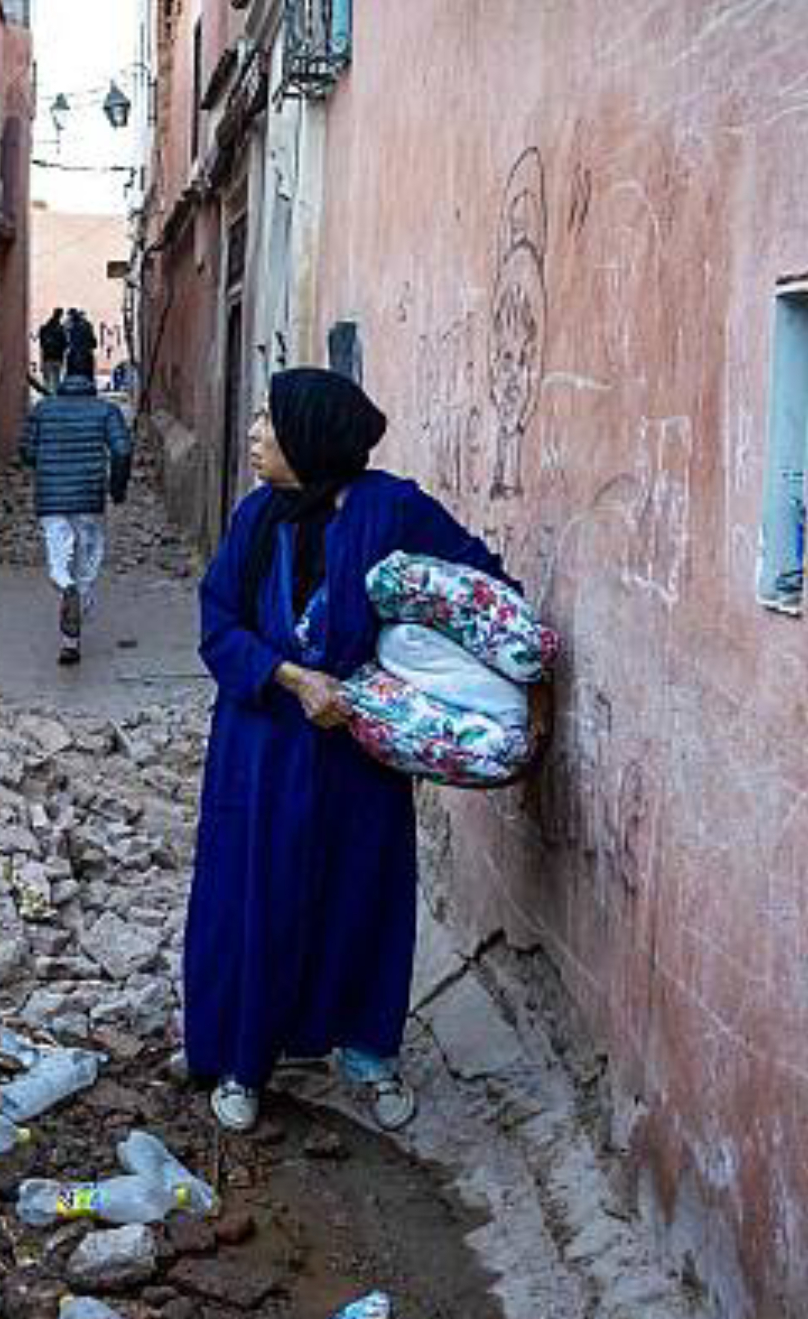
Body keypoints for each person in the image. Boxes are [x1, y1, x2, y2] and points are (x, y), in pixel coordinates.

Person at [183, 367, 527, 1135]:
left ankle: (367, 1052)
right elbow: (218, 622)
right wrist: (292, 676)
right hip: (262, 748)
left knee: (360, 893)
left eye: (270, 421)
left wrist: (410, 679)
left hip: (358, 751)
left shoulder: (391, 510)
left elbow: (481, 592)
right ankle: (245, 1058)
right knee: (257, 895)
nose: (255, 434)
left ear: (311, 436)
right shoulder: (256, 518)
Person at [19, 346, 133, 664]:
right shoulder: (106, 411)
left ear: (67, 372)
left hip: (51, 498)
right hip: (88, 496)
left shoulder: (44, 409)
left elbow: (26, 450)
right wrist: (117, 489)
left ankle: (64, 586)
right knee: (87, 562)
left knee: (59, 558)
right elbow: (122, 451)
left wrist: (46, 465)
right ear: (91, 373)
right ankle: (71, 636)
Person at [38, 309, 68, 393]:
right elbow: (65, 344)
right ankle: (54, 397)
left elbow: (42, 344)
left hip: (47, 357)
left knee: (47, 382)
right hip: (57, 357)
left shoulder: (44, 328)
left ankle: (47, 397)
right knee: (56, 381)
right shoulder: (61, 329)